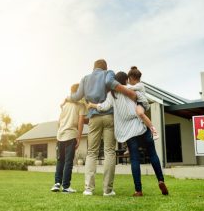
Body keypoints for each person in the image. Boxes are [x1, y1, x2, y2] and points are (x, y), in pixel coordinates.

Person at [88, 71, 168, 197]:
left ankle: (138, 190)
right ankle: (161, 180)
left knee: (135, 159)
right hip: (140, 126)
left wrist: (92, 105)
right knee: (152, 154)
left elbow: (104, 107)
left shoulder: (111, 94)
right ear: (126, 80)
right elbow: (142, 100)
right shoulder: (131, 89)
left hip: (128, 132)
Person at [66, 59, 137, 196]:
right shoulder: (108, 73)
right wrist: (129, 93)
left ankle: (88, 189)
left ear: (94, 68)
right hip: (109, 116)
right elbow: (110, 83)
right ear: (105, 67)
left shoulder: (85, 79)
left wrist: (67, 98)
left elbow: (76, 96)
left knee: (92, 152)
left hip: (94, 118)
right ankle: (107, 190)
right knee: (109, 151)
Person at [51, 83, 87, 193]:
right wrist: (79, 138)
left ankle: (57, 184)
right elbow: (81, 123)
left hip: (60, 135)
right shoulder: (81, 106)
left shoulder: (65, 105)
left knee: (60, 161)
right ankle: (66, 187)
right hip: (71, 135)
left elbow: (59, 122)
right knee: (68, 162)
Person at [127, 66, 159, 140]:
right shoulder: (135, 85)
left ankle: (154, 131)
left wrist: (119, 86)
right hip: (138, 103)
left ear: (131, 78)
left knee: (140, 113)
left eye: (129, 79)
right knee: (137, 120)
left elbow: (129, 88)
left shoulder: (140, 85)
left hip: (142, 103)